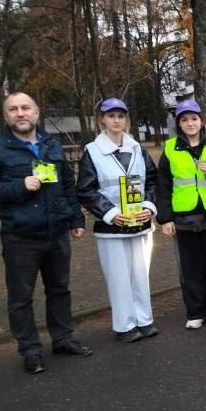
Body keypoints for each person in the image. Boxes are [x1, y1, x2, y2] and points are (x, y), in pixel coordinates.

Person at [0, 92, 91, 373]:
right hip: (20, 237)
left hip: (57, 232)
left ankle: (63, 339)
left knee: (59, 290)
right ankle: (30, 350)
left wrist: (76, 220)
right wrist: (18, 187)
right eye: (13, 109)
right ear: (6, 115)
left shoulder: (51, 145)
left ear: (36, 112)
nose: (20, 113)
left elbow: (67, 186)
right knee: (21, 297)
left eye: (25, 108)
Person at [76, 98, 159, 343]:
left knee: (141, 274)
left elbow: (152, 181)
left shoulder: (137, 149)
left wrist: (149, 206)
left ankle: (144, 320)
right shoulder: (92, 151)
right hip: (111, 226)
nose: (116, 120)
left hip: (141, 224)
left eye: (120, 116)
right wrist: (110, 213)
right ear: (102, 119)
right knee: (118, 277)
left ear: (126, 119)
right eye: (111, 116)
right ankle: (124, 325)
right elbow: (85, 190)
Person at [155, 100, 206, 329]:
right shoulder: (170, 149)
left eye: (194, 118)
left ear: (202, 121)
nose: (190, 123)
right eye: (184, 119)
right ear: (178, 124)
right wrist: (165, 218)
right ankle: (195, 313)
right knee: (190, 268)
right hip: (184, 220)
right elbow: (162, 186)